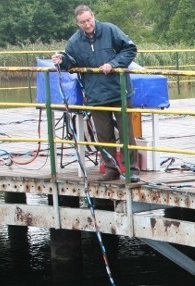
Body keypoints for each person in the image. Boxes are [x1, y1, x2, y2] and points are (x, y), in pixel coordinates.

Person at [52, 5, 139, 182]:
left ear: (93, 17)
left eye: (89, 20)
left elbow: (130, 49)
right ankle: (111, 168)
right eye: (83, 22)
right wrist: (61, 60)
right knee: (103, 135)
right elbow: (70, 62)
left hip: (119, 91)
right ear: (77, 23)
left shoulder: (110, 30)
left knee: (126, 133)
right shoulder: (74, 42)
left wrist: (113, 64)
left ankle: (132, 170)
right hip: (95, 94)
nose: (87, 24)